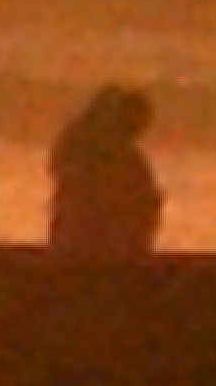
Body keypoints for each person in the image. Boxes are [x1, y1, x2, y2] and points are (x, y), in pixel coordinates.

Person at [46, 84, 162, 258]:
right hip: (88, 240)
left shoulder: (128, 158)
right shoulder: (88, 145)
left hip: (108, 243)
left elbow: (147, 200)